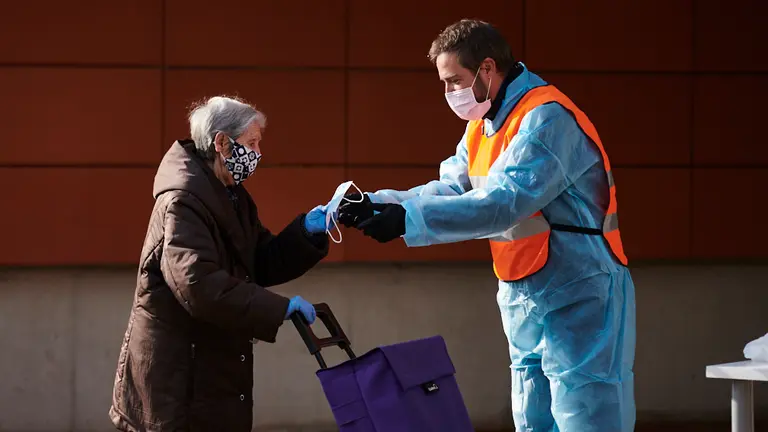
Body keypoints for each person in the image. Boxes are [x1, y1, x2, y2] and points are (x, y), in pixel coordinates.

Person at [338, 19, 636, 432]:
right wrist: (378, 203)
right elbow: (450, 188)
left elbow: (503, 203)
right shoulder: (483, 126)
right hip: (525, 287)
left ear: (488, 69)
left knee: (585, 414)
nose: (449, 93)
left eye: (454, 81)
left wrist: (407, 220)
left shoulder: (546, 118)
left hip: (578, 286)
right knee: (532, 416)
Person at [109, 96, 330, 431]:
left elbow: (260, 260)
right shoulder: (182, 202)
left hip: (208, 370)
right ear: (222, 143)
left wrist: (307, 231)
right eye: (251, 143)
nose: (258, 154)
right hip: (178, 382)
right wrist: (278, 308)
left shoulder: (230, 195)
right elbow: (197, 283)